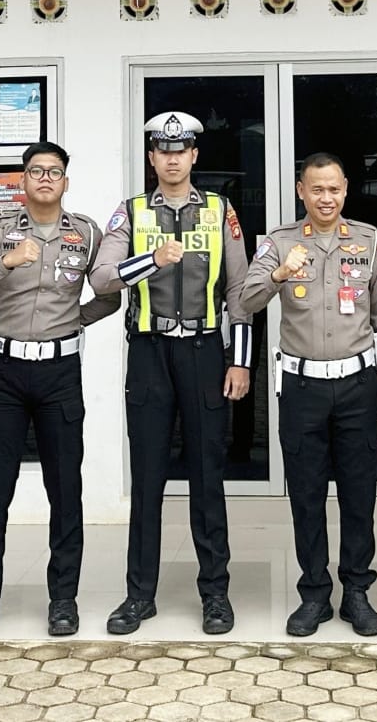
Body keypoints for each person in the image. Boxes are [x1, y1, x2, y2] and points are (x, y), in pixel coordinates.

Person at [89, 111, 252, 636]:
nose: (173, 159)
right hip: (150, 351)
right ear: (152, 157)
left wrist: (240, 359)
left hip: (205, 352)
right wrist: (151, 261)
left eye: (181, 151)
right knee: (148, 477)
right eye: (164, 150)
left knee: (208, 477)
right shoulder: (131, 211)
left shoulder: (220, 210)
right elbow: (103, 278)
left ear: (194, 156)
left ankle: (215, 594)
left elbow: (240, 289)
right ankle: (140, 595)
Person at [0, 141, 121, 639]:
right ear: (23, 180)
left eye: (54, 171)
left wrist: (74, 320)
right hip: (5, 372)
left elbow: (110, 294)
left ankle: (63, 600)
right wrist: (4, 263)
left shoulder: (86, 232)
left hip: (60, 373)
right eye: (36, 171)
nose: (45, 178)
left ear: (66, 182)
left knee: (65, 490)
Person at [239, 152, 377, 637]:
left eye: (333, 189)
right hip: (302, 386)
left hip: (357, 384)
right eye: (317, 189)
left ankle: (356, 591)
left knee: (359, 492)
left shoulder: (368, 240)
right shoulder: (278, 243)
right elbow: (246, 301)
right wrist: (279, 274)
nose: (326, 198)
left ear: (346, 188)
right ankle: (314, 592)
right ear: (301, 191)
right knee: (307, 493)